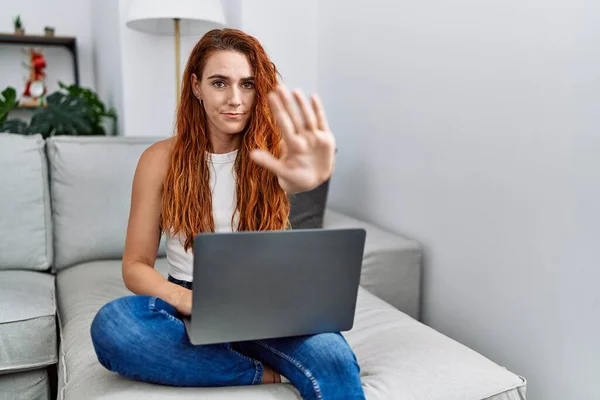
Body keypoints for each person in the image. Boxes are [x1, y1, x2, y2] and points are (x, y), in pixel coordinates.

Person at [90, 28, 366, 400]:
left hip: (271, 303)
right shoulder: (158, 160)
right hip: (191, 300)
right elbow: (135, 264)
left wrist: (314, 178)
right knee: (115, 325)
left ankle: (222, 360)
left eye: (248, 84)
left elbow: (301, 176)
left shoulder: (277, 153)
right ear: (196, 86)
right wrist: (185, 300)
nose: (236, 99)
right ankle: (262, 372)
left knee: (334, 358)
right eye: (220, 83)